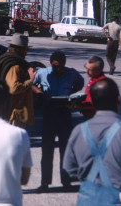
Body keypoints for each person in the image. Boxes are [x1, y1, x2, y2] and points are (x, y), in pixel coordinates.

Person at [63, 78, 121, 205]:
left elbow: (69, 169)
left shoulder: (79, 131)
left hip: (87, 200)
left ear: (93, 104)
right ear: (118, 100)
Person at [34, 50, 84, 192]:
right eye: (55, 66)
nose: (57, 69)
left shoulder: (72, 73)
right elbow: (29, 82)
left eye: (60, 66)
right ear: (51, 64)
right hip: (49, 114)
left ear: (64, 64)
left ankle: (66, 181)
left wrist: (72, 96)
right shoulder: (43, 73)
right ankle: (45, 183)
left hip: (64, 114)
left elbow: (80, 84)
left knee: (66, 149)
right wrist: (38, 92)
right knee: (47, 149)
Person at [0, 33, 40, 128]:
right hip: (15, 113)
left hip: (12, 111)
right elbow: (13, 88)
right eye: (26, 49)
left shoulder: (10, 60)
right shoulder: (15, 66)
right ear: (20, 50)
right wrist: (30, 80)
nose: (26, 52)